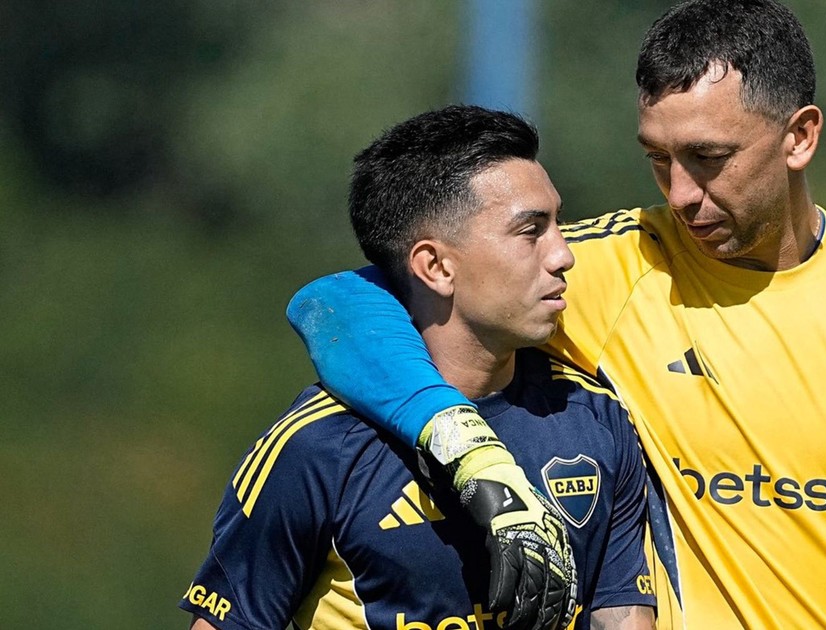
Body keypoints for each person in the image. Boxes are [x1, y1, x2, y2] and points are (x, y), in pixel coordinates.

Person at [286, 1, 826, 628]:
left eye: (708, 158)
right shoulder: (600, 271)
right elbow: (336, 303)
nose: (679, 193)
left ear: (800, 137)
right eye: (658, 158)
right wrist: (461, 441)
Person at [181, 105, 657, 630]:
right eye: (530, 231)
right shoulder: (317, 449)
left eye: (557, 224)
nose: (564, 255)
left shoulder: (595, 417)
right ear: (435, 266)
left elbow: (624, 616)